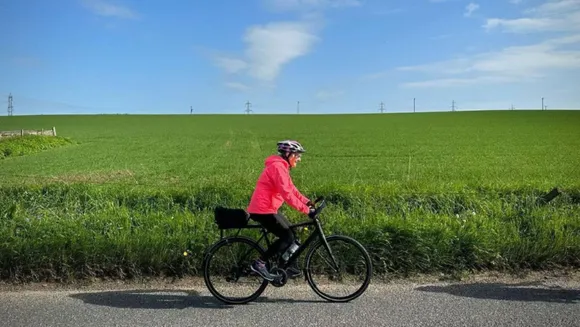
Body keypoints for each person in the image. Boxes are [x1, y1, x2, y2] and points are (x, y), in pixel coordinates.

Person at [247, 140, 316, 281]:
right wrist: (307, 210)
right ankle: (259, 263)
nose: (299, 158)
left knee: (292, 233)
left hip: (268, 208)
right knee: (287, 237)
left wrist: (307, 201)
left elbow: (292, 189)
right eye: (297, 155)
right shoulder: (277, 168)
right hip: (263, 210)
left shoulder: (281, 167)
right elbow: (287, 194)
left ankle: (284, 265)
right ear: (288, 154)